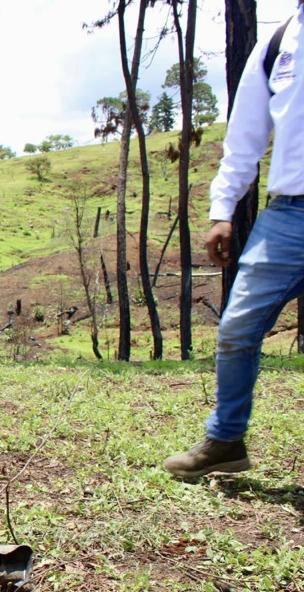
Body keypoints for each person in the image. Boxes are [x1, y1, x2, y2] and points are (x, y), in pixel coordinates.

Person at [164, 4, 304, 480]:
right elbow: (245, 136)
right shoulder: (279, 43)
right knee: (237, 329)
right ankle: (225, 441)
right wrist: (222, 210)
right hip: (288, 214)